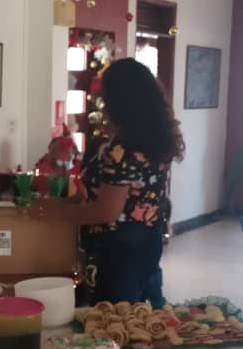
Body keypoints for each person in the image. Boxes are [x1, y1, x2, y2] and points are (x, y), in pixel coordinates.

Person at [38, 57, 184, 304]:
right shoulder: (154, 139)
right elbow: (129, 194)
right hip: (148, 240)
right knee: (140, 321)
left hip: (120, 251)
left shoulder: (123, 149)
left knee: (115, 328)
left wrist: (57, 213)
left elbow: (106, 212)